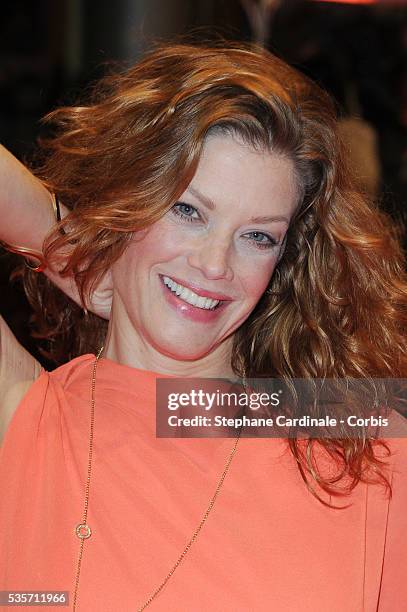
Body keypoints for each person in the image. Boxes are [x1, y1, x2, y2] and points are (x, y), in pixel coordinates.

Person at [0, 40, 406, 612]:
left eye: (257, 236)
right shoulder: (24, 416)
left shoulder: (361, 439)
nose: (215, 266)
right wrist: (82, 250)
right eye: (188, 212)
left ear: (285, 260)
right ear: (128, 202)